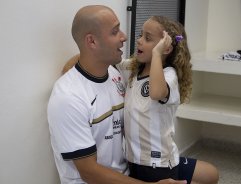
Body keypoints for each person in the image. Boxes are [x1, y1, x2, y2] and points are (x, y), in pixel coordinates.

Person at [62, 14, 219, 184]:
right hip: (134, 161)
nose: (139, 40)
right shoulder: (134, 69)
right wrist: (75, 70)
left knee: (210, 174)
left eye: (147, 38)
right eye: (140, 35)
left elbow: (156, 92)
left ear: (165, 49)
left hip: (158, 164)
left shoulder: (169, 75)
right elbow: (99, 58)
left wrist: (157, 54)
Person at [48, 5, 187, 184]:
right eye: (115, 32)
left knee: (209, 174)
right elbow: (89, 173)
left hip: (129, 173)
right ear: (91, 42)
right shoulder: (68, 97)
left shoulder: (117, 76)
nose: (125, 37)